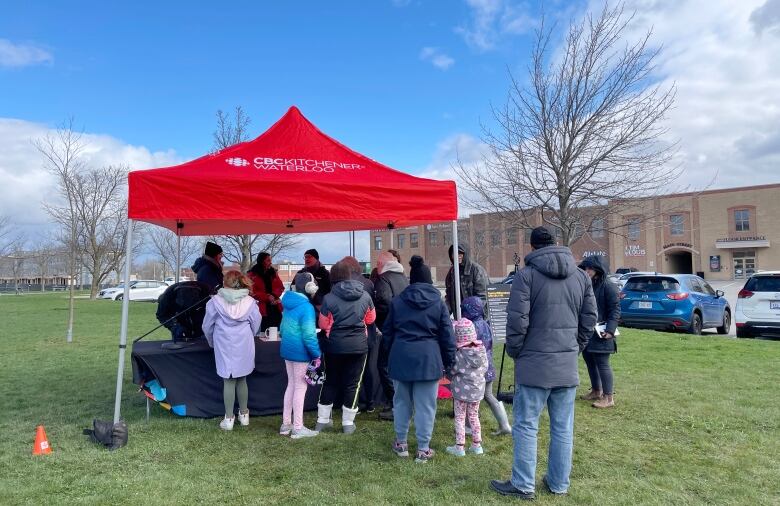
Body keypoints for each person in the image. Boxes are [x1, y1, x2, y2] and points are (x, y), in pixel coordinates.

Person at [490, 226, 597, 499]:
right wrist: (575, 347)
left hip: (534, 364)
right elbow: (589, 319)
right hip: (564, 364)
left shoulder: (526, 277)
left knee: (527, 425)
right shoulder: (581, 278)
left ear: (532, 247)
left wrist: (517, 351)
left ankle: (524, 484)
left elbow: (516, 321)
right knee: (562, 427)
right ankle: (558, 483)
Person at [383, 255, 456, 463]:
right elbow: (447, 335)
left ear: (411, 280)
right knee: (426, 406)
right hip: (428, 359)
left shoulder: (397, 302)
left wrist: (388, 356)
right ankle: (423, 448)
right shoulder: (439, 303)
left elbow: (387, 333)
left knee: (401, 402)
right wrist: (449, 361)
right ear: (429, 281)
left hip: (401, 356)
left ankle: (401, 443)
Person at [315, 261, 376, 434]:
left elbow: (322, 323)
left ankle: (322, 420)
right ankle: (348, 423)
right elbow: (371, 319)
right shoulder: (365, 296)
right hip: (359, 346)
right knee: (353, 384)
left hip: (333, 346)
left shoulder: (329, 298)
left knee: (330, 381)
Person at [202, 270, 261, 431]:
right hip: (244, 342)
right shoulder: (250, 302)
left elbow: (207, 326)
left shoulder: (214, 302)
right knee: (242, 379)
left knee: (228, 380)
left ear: (225, 282)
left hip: (223, 342)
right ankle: (244, 415)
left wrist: (211, 341)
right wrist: (251, 334)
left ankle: (228, 418)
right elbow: (256, 324)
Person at [279, 272, 322, 439]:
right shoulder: (306, 308)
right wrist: (316, 353)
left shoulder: (287, 304)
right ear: (310, 288)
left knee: (291, 385)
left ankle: (286, 424)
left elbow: (282, 329)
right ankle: (298, 427)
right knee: (300, 387)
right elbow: (309, 336)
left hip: (287, 351)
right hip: (300, 353)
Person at [461, 295, 512, 436]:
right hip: (488, 366)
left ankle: (468, 427)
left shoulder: (471, 327)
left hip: (475, 369)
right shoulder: (486, 324)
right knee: (489, 395)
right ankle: (505, 424)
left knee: (468, 397)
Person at [578, 255, 621, 409]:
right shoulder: (586, 284)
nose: (587, 271)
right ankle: (596, 391)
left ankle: (608, 398)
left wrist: (610, 330)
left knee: (603, 364)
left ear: (598, 269)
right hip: (587, 331)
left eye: (590, 268)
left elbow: (615, 310)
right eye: (585, 268)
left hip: (602, 332)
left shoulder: (608, 286)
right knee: (590, 361)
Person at [373, 251, 409, 421]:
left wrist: (377, 322)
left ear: (382, 264)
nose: (377, 267)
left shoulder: (383, 279)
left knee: (384, 366)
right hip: (404, 328)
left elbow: (383, 303)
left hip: (390, 329)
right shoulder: (403, 277)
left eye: (378, 264)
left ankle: (395, 405)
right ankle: (400, 403)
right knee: (398, 367)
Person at [446, 318, 488, 457]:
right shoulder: (481, 351)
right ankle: (477, 445)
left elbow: (452, 371)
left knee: (459, 417)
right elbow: (485, 368)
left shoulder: (459, 354)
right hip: (477, 390)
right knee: (474, 416)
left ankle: (460, 447)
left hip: (461, 391)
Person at [340, 256, 377, 411]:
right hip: (368, 331)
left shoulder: (341, 286)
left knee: (352, 371)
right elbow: (372, 311)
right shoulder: (369, 283)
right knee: (368, 369)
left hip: (349, 334)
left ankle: (354, 403)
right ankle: (369, 402)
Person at [445, 244, 489, 315]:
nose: (457, 256)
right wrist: (445, 313)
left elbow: (483, 296)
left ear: (465, 254)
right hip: (459, 317)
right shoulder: (452, 272)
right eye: (454, 253)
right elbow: (449, 296)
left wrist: (470, 312)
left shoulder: (476, 270)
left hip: (476, 317)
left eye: (460, 253)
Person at [247, 252, 285, 332]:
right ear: (261, 261)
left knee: (277, 331)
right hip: (261, 308)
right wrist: (267, 297)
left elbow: (280, 287)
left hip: (275, 307)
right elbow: (250, 291)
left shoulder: (273, 273)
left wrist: (274, 295)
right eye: (268, 260)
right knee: (264, 332)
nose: (270, 262)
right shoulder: (252, 274)